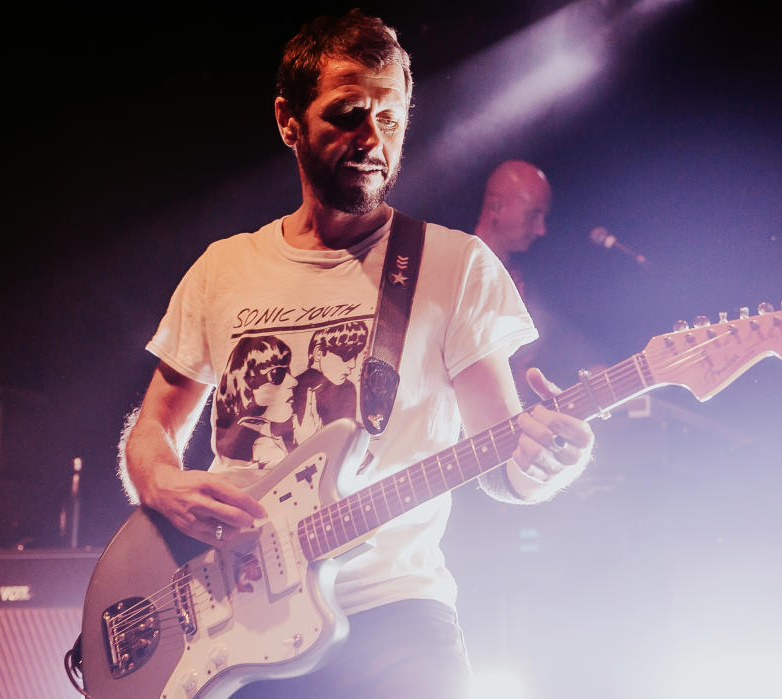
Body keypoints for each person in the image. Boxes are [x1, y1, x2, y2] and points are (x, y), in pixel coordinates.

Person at [118, 11, 594, 698]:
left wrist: (548, 462)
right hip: (236, 616)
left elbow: (502, 459)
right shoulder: (223, 269)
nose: (373, 139)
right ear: (289, 120)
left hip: (395, 615)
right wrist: (162, 483)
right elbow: (152, 430)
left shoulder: (453, 265)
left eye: (391, 118)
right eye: (348, 114)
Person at [472, 159, 553, 297]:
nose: (542, 230)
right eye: (533, 216)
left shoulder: (526, 280)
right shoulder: (456, 269)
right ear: (496, 208)